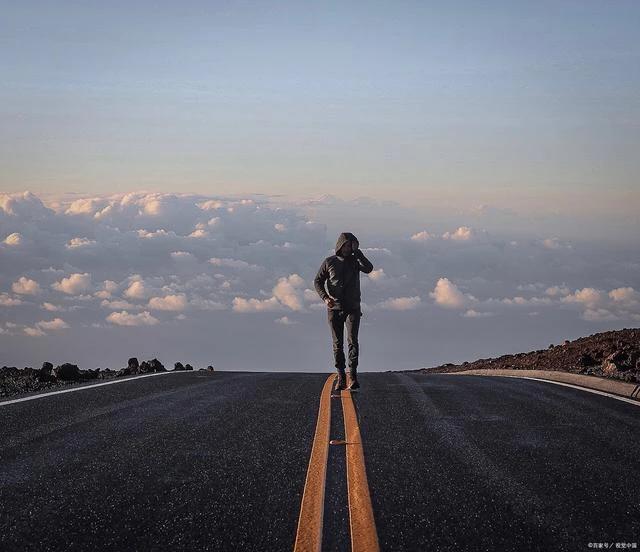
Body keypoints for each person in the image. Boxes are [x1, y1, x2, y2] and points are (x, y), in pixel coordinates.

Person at [314, 232, 374, 390]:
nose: (349, 248)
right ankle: (341, 376)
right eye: (347, 245)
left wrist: (358, 252)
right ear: (340, 245)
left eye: (352, 245)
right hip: (334, 308)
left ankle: (353, 376)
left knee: (353, 341)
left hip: (353, 307)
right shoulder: (330, 262)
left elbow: (369, 268)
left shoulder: (355, 261)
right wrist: (325, 298)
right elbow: (318, 281)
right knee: (337, 343)